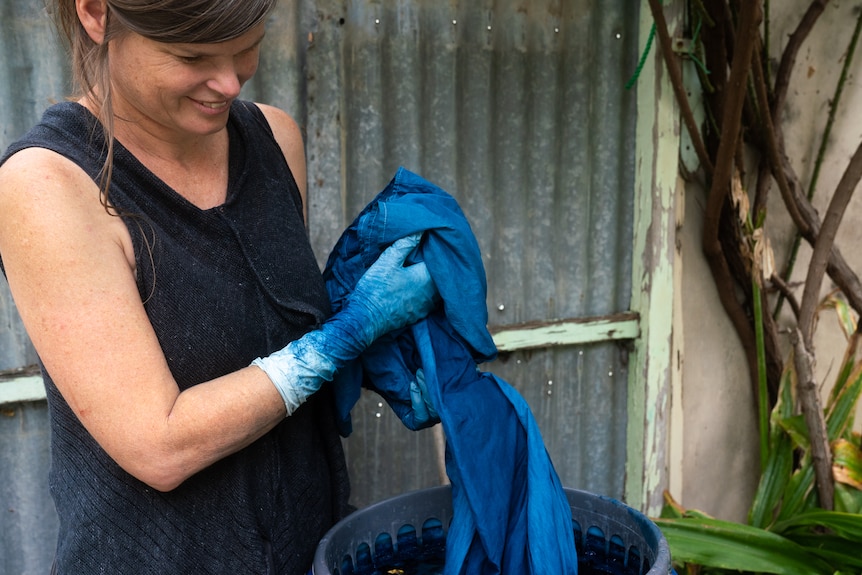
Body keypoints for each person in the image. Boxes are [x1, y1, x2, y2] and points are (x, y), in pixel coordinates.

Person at [0, 1, 436, 573]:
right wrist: (342, 338)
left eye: (247, 46)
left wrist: (372, 344)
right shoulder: (49, 185)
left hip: (313, 548)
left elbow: (262, 336)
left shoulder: (275, 138)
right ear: (96, 14)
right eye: (193, 56)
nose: (229, 82)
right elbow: (161, 445)